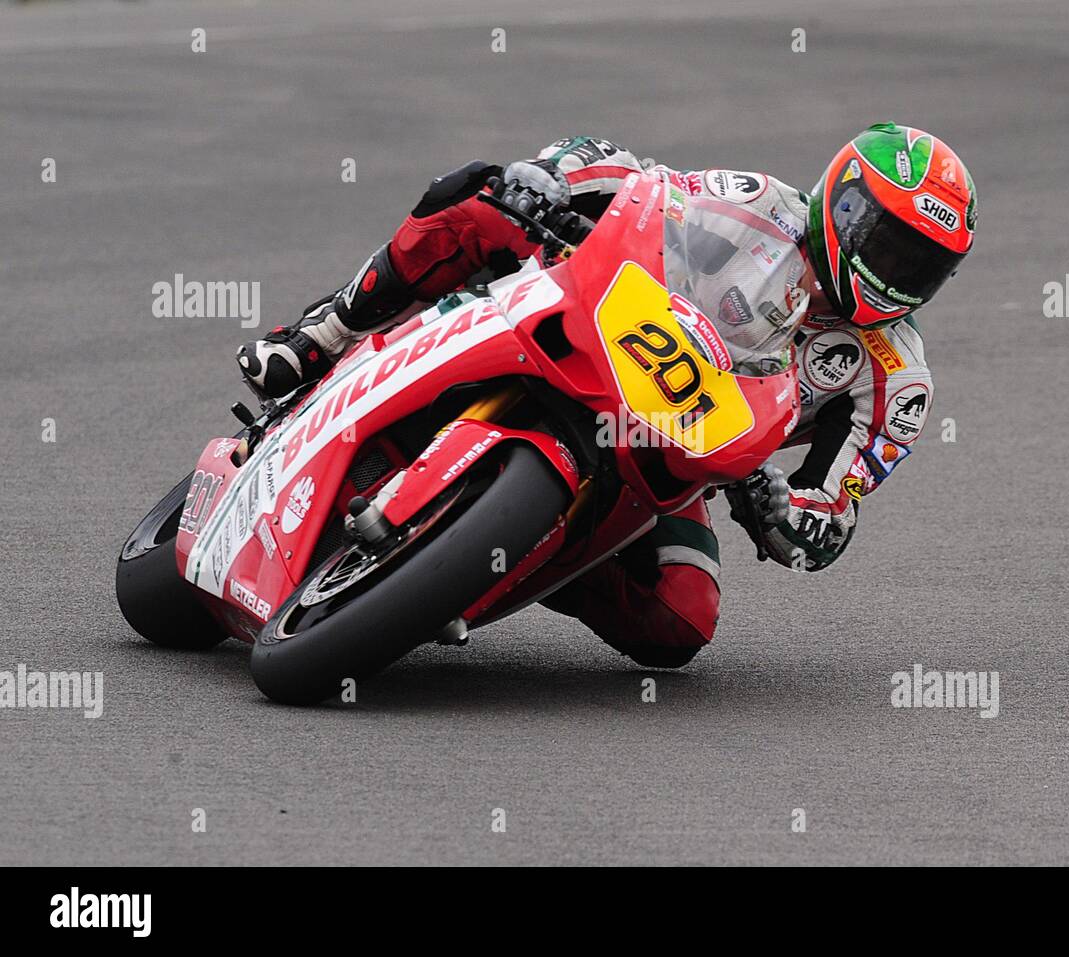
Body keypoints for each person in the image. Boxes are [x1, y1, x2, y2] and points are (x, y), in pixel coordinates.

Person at [236, 125, 977, 667]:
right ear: (843, 207)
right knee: (482, 197)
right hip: (597, 329)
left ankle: (492, 562)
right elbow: (644, 181)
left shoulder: (894, 378)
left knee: (682, 618)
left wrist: (793, 514)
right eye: (887, 243)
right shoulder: (757, 208)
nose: (895, 272)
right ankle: (320, 335)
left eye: (922, 266)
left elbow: (835, 508)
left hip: (674, 450)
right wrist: (555, 176)